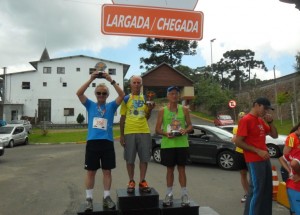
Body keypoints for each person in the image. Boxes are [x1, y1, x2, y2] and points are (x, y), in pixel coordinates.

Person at [76, 70, 125, 211]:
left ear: (107, 95)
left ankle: (106, 197)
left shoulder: (111, 106)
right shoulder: (90, 105)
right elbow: (79, 93)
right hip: (92, 142)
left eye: (104, 93)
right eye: (99, 93)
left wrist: (111, 80)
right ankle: (89, 199)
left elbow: (122, 95)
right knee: (90, 172)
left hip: (107, 142)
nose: (101, 95)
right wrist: (91, 79)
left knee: (107, 172)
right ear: (95, 94)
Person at [235, 97, 278, 215]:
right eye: (265, 108)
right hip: (254, 160)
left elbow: (274, 135)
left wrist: (270, 122)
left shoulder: (260, 120)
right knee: (256, 190)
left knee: (266, 189)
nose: (266, 111)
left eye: (268, 109)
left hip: (264, 159)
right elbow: (238, 141)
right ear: (256, 105)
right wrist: (257, 151)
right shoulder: (246, 120)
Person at [155, 86, 193, 207]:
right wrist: (165, 133)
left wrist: (185, 131)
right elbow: (157, 129)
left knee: (182, 169)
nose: (174, 96)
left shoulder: (184, 110)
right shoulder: (162, 110)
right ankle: (169, 193)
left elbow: (190, 126)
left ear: (179, 96)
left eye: (176, 94)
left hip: (182, 144)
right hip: (168, 144)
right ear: (167, 96)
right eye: (171, 94)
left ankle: (184, 194)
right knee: (169, 170)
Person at [119, 75, 155, 194]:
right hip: (129, 132)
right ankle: (131, 181)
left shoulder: (145, 98)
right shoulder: (126, 99)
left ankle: (142, 181)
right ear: (130, 84)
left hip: (144, 131)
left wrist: (150, 109)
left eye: (138, 82)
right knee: (130, 159)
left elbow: (147, 117)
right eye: (134, 82)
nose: (136, 84)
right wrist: (122, 135)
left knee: (144, 158)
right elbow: (122, 118)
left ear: (141, 84)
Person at [232, 111, 249, 203]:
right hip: (239, 153)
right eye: (240, 117)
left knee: (253, 175)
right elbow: (234, 139)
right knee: (243, 173)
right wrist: (234, 138)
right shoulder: (236, 128)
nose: (242, 118)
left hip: (249, 153)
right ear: (238, 119)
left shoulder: (249, 127)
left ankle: (254, 193)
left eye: (243, 117)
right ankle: (247, 193)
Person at [279, 148, 300, 215]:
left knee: (293, 211)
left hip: (291, 186)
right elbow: (294, 164)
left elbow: (281, 158)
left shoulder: (295, 150)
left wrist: (289, 171)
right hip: (297, 188)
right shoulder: (292, 138)